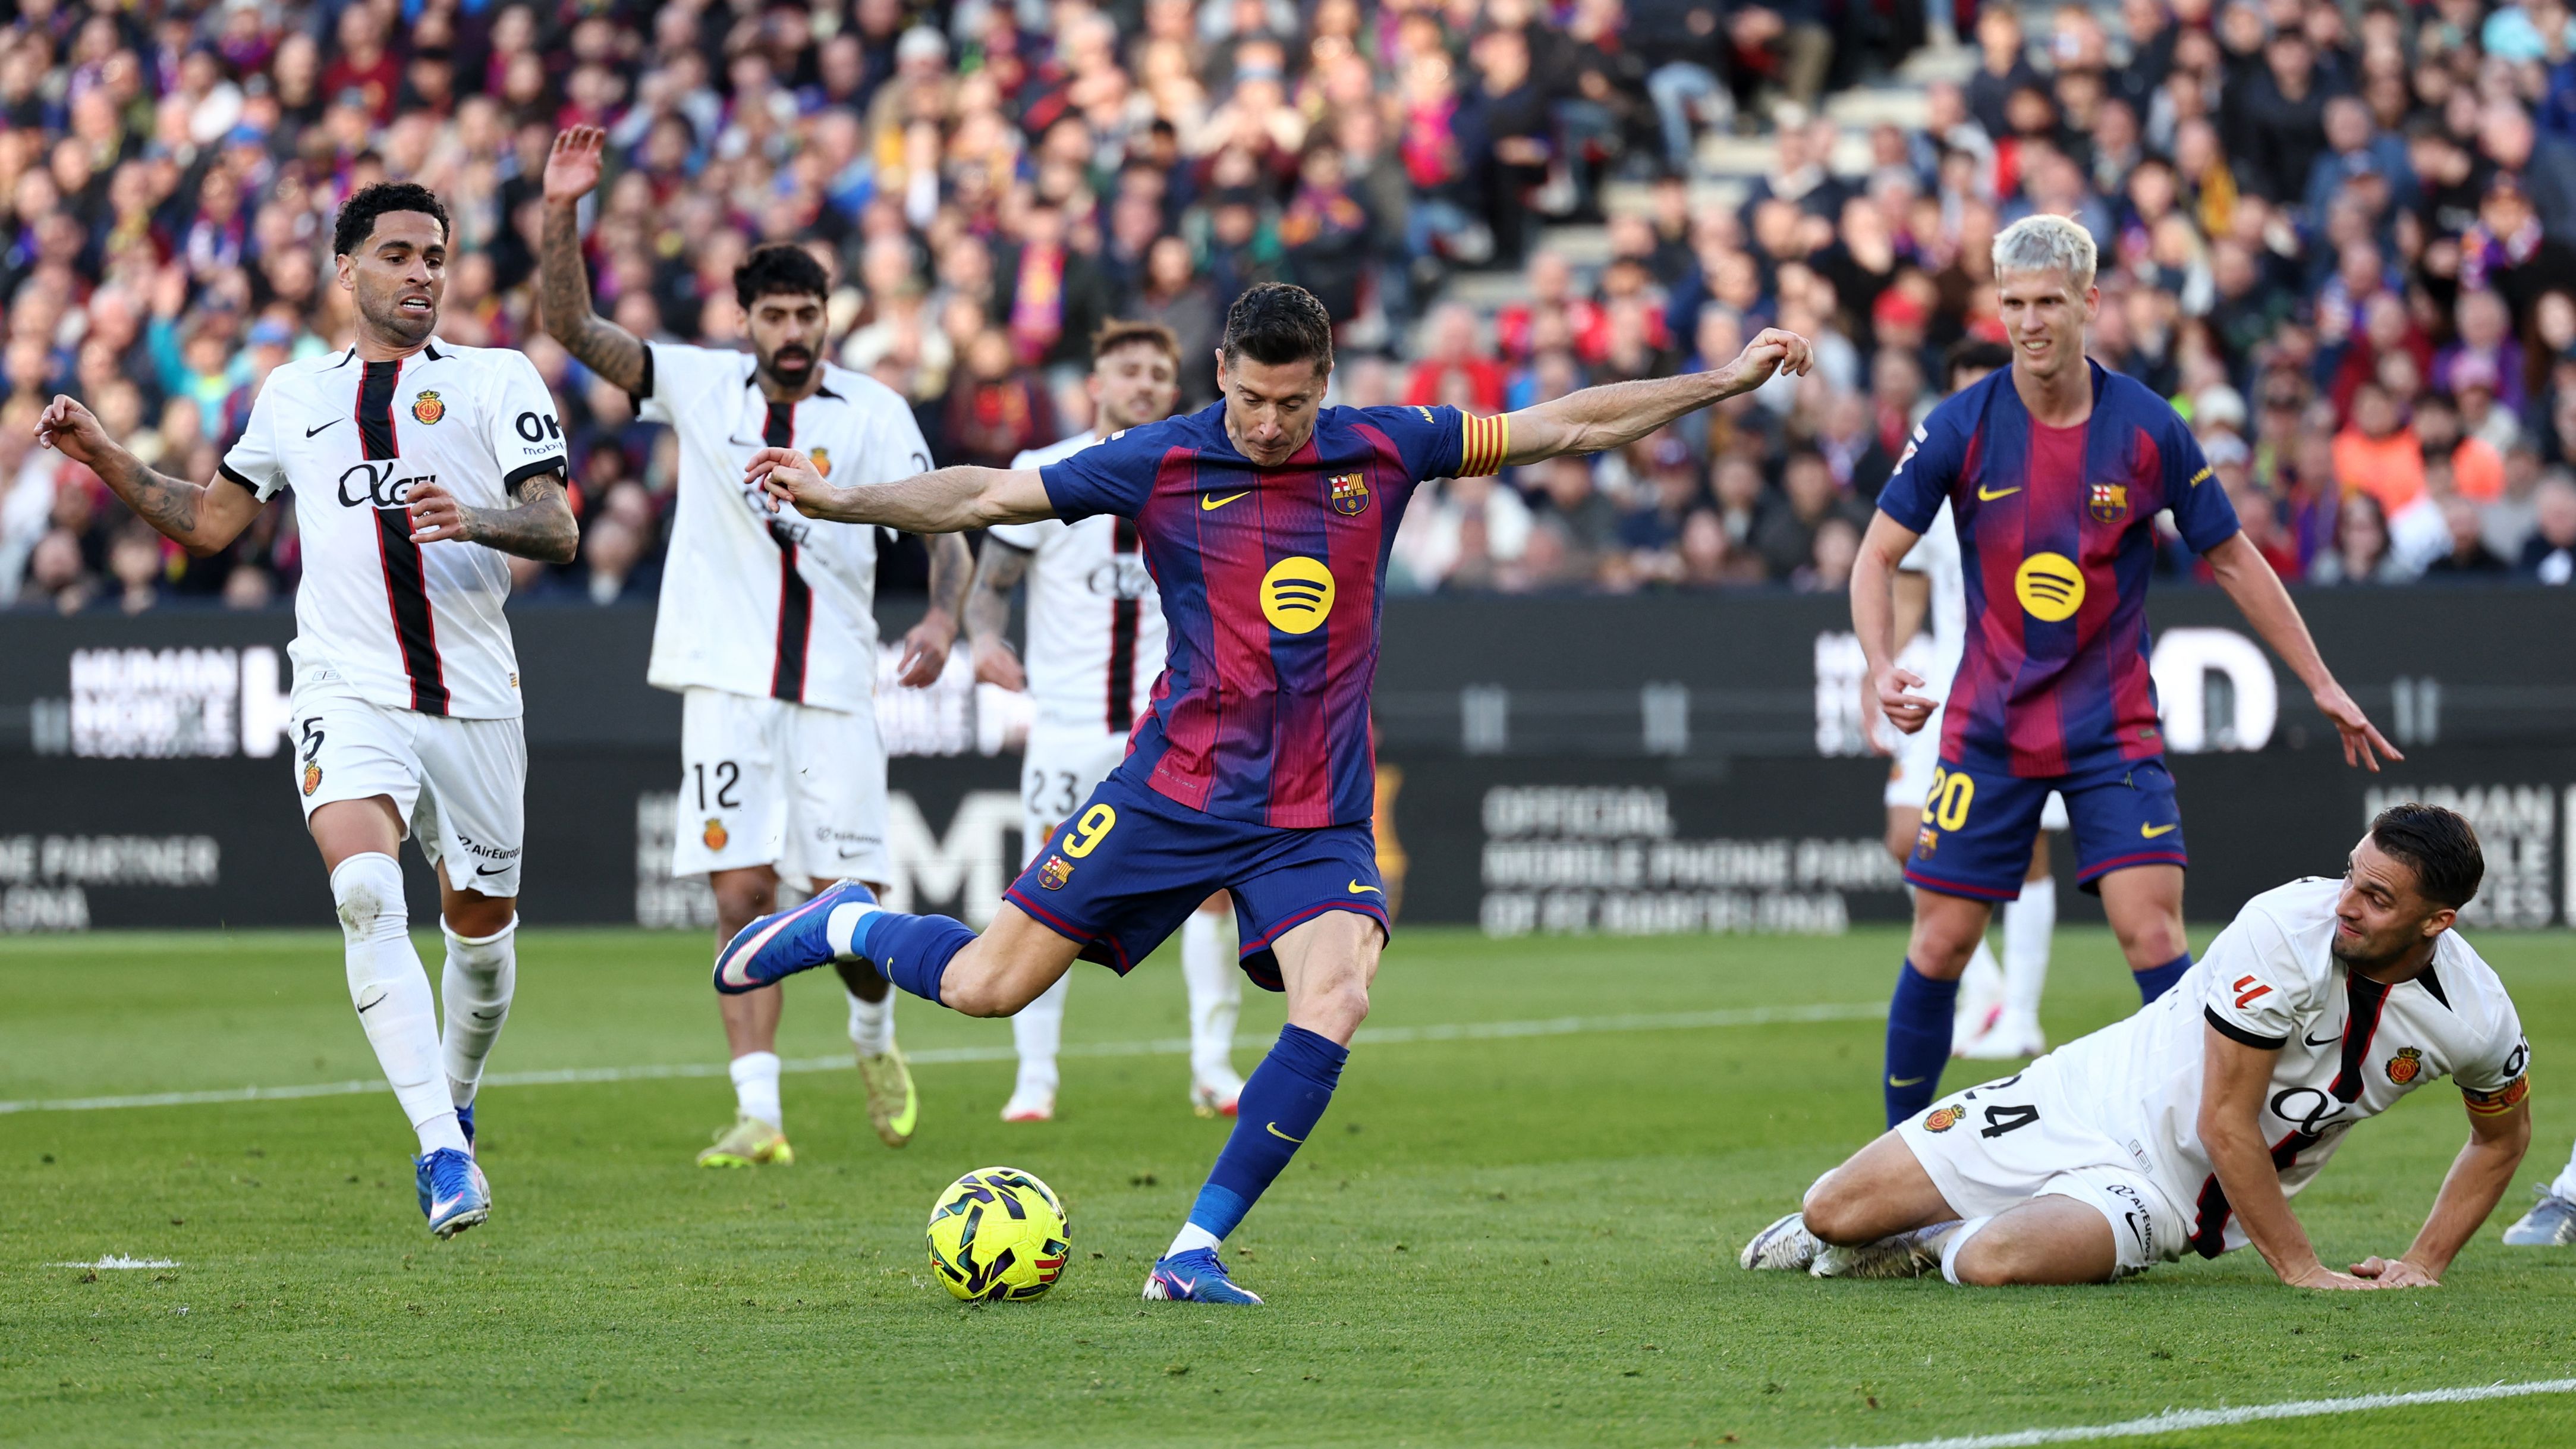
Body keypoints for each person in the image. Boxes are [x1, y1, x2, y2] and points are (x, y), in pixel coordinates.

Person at [716, 282, 1813, 1304]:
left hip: (1312, 815)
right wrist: (843, 497)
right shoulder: (1157, 459)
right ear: (1222, 376)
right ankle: (847, 918)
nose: (1269, 423)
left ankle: (1192, 1250)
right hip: (1170, 791)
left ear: (1324, 384)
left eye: (1291, 403)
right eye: (1248, 398)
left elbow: (1565, 424)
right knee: (981, 988)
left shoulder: (1387, 446)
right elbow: (988, 492)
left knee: (1335, 998)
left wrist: (1719, 381)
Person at [34, 183, 580, 1238]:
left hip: (474, 700)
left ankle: (455, 1100)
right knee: (369, 895)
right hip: (346, 685)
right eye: (398, 254)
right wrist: (103, 453)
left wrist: (471, 516)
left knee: (480, 939)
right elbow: (209, 521)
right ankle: (439, 1148)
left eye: (435, 255)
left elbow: (557, 526)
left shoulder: (493, 378)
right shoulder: (293, 397)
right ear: (347, 272)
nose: (423, 272)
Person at [1852, 214, 2396, 1132]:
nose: (2031, 322)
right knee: (1940, 942)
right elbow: (1874, 557)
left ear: (2089, 304)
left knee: (2153, 936)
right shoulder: (1958, 425)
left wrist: (2320, 680)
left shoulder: (2149, 429)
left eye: (2049, 302)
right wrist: (1878, 665)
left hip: (2112, 732)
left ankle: (2198, 1148)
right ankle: (1889, 1158)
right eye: (2014, 303)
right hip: (1988, 730)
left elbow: (2233, 559)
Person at [537, 126, 970, 1168]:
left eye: (806, 314)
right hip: (726, 683)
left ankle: (872, 1032)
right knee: (739, 893)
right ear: (745, 321)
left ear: (828, 320)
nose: (791, 330)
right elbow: (570, 325)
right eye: (773, 314)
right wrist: (563, 211)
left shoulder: (872, 410)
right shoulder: (697, 382)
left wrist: (946, 613)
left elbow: (941, 514)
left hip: (830, 684)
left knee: (849, 909)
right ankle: (760, 1112)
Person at [1741, 804, 2533, 1290]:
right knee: (1833, 1210)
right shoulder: (2282, 929)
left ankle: (1920, 1245)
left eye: (2377, 896)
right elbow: (2229, 1114)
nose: (2346, 904)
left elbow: (2502, 1137)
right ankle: (1874, 1231)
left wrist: (2424, 1262)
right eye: (2350, 875)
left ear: (2437, 922)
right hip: (2078, 1092)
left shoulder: (2475, 1016)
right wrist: (2301, 1268)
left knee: (1991, 1262)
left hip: (2168, 1189)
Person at [965, 320, 1247, 1123]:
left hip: (1172, 730)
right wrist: (984, 638)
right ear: (1094, 383)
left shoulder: (1202, 470)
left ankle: (1212, 1067)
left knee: (1211, 892)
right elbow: (993, 582)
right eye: (1129, 370)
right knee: (1046, 898)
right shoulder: (1041, 472)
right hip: (1066, 724)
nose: (1147, 384)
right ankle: (1035, 1077)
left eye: (1161, 372)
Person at [1876, 339, 2058, 1061]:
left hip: (2029, 679)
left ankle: (2021, 1014)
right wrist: (1882, 665)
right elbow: (1909, 574)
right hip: (1952, 678)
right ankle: (1982, 986)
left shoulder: (2054, 459)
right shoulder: (1937, 459)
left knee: (2029, 849)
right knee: (1905, 837)